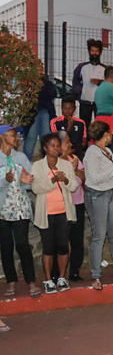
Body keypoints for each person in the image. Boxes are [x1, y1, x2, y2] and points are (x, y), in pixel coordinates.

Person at [83, 121, 113, 289]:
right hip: (97, 195)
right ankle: (96, 276)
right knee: (99, 236)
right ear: (105, 135)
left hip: (111, 193)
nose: (111, 136)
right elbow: (94, 178)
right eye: (109, 133)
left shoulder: (107, 151)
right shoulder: (92, 152)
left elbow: (111, 175)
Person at [32, 133, 79, 294]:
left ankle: (61, 278)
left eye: (58, 145)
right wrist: (52, 181)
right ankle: (48, 280)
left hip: (63, 213)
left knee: (63, 246)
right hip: (46, 213)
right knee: (48, 247)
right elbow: (35, 188)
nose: (56, 148)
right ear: (45, 148)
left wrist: (65, 180)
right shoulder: (38, 166)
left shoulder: (66, 165)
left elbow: (74, 187)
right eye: (53, 145)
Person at [0, 125, 39, 298]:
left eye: (16, 136)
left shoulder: (21, 157)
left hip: (20, 208)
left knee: (23, 245)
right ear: (2, 137)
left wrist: (26, 180)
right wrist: (5, 179)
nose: (17, 139)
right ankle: (11, 281)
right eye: (13, 136)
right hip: (2, 210)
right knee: (6, 246)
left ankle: (31, 281)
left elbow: (28, 183)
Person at [58, 132, 86, 282]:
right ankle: (58, 274)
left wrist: (75, 170)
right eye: (67, 142)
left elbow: (84, 178)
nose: (70, 145)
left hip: (78, 203)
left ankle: (74, 272)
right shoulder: (53, 162)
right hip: (61, 206)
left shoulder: (74, 159)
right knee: (61, 241)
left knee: (77, 240)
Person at [24, 71, 58, 161]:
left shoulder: (46, 84)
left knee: (43, 138)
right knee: (34, 138)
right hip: (34, 112)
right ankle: (26, 162)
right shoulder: (29, 83)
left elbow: (53, 94)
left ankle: (46, 160)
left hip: (41, 112)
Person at [71, 38, 106, 125]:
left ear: (100, 52)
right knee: (84, 125)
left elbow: (109, 84)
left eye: (96, 51)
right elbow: (75, 81)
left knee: (100, 126)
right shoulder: (82, 67)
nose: (94, 53)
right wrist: (80, 92)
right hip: (85, 102)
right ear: (89, 51)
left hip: (100, 103)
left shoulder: (105, 69)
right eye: (92, 51)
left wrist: (100, 82)